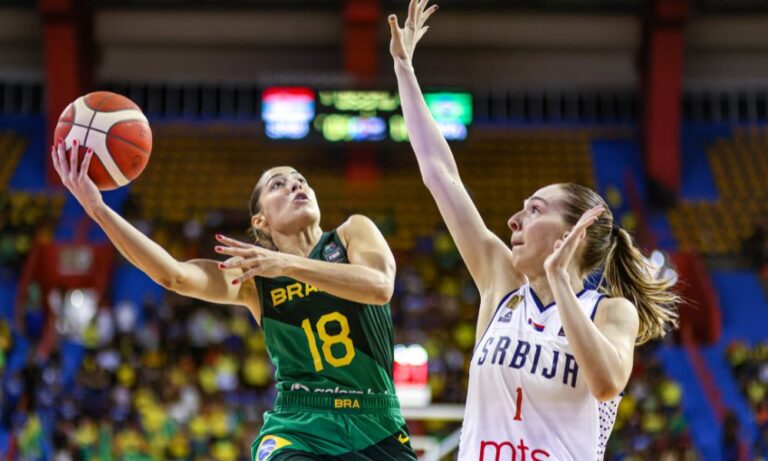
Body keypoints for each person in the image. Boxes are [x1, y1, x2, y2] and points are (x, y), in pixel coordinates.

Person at [388, 3, 680, 460]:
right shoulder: (500, 281)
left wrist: (560, 280)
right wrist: (404, 71)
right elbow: (440, 174)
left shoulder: (611, 312)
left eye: (535, 209)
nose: (514, 220)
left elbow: (605, 383)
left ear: (574, 233)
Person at [51, 139, 416, 461]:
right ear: (261, 222)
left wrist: (286, 264)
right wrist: (98, 210)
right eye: (279, 184)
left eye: (300, 180)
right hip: (300, 422)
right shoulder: (254, 278)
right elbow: (174, 275)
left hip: (376, 418)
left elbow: (380, 286)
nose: (295, 185)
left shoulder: (353, 232)